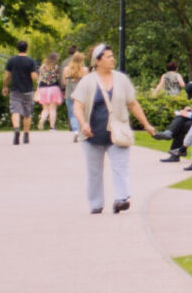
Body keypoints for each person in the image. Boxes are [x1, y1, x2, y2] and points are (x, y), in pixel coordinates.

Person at [70, 43, 158, 215]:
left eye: (112, 56)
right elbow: (77, 106)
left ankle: (121, 199)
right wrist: (83, 123)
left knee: (121, 166)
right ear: (98, 61)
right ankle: (96, 203)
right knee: (94, 172)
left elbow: (132, 103)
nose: (112, 59)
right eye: (108, 57)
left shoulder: (121, 79)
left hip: (118, 133)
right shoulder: (87, 81)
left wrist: (146, 124)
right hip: (92, 135)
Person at [3, 41, 39, 145]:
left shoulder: (12, 60)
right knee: (27, 113)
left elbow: (7, 76)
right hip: (28, 90)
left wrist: (5, 86)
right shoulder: (31, 61)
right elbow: (33, 77)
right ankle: (26, 135)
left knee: (15, 111)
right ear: (26, 48)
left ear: (17, 48)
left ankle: (16, 129)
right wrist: (37, 77)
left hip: (15, 90)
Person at [61, 51, 88, 137]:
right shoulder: (84, 70)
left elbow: (64, 82)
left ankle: (75, 131)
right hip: (81, 95)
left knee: (72, 113)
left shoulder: (66, 69)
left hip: (69, 94)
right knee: (81, 112)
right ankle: (81, 129)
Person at [35, 52, 64, 132]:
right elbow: (59, 78)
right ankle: (52, 127)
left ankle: (42, 119)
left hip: (43, 88)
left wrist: (37, 89)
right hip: (54, 88)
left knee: (45, 108)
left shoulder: (42, 67)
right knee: (52, 109)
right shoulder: (57, 67)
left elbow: (39, 78)